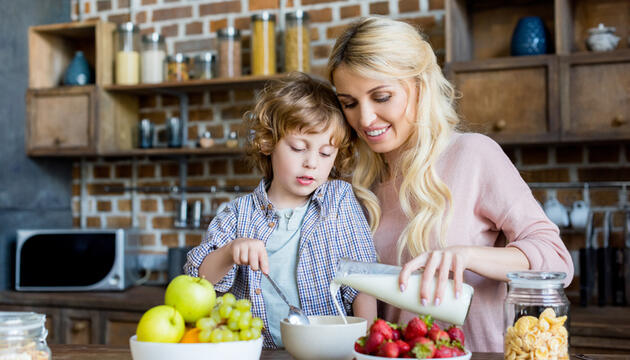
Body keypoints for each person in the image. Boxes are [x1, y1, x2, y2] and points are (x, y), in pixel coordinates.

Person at [327, 17, 574, 352]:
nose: (365, 119)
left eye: (381, 96)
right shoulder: (356, 184)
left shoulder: (473, 155)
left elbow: (557, 260)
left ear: (419, 85)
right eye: (349, 103)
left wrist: (469, 256)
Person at [184, 72, 377, 349]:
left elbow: (363, 282)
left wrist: (367, 345)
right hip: (262, 352)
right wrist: (230, 252)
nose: (312, 162)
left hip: (333, 351)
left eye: (325, 153)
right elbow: (197, 281)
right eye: (299, 148)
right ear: (268, 143)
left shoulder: (338, 200)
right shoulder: (239, 214)